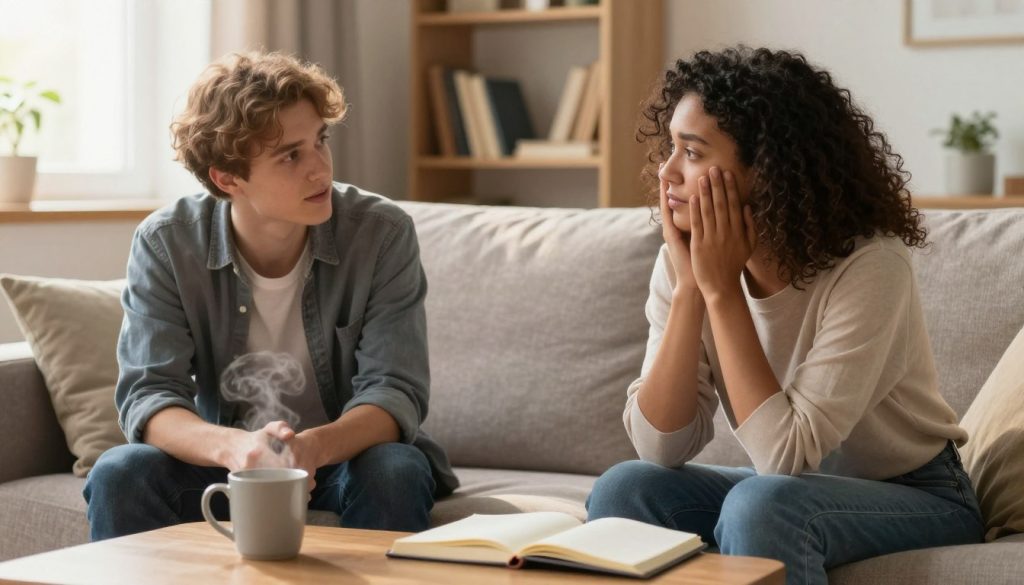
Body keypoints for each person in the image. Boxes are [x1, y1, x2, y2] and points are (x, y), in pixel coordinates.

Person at [585, 46, 984, 584]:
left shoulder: (871, 265)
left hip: (915, 494)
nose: (667, 171)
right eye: (671, 148)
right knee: (626, 487)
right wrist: (689, 293)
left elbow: (784, 456)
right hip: (790, 489)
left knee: (764, 503)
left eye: (694, 152)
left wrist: (722, 292)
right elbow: (661, 447)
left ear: (766, 170)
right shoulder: (683, 261)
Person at [83, 51, 458, 540]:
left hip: (345, 462)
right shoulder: (167, 243)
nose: (320, 169)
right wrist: (239, 450)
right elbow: (149, 396)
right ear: (227, 178)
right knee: (120, 472)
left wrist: (311, 449)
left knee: (394, 469)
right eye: (291, 155)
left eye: (320, 141)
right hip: (231, 463)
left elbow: (395, 392)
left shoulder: (381, 233)